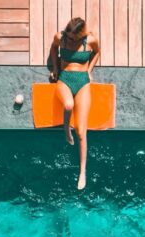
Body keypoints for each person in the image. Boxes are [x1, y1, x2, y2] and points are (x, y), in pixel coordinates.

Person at [47, 17, 101, 190]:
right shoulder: (60, 37)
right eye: (69, 37)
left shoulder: (91, 40)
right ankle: (65, 128)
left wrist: (90, 71)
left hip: (83, 81)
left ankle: (82, 172)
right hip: (65, 79)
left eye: (74, 38)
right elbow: (54, 49)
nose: (71, 40)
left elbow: (97, 53)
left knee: (81, 132)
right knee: (68, 105)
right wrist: (55, 68)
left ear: (82, 34)